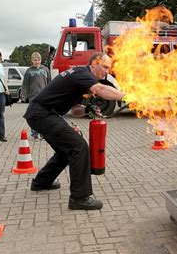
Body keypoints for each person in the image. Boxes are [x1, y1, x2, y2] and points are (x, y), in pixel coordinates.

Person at [24, 52, 126, 210]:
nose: (107, 72)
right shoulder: (82, 73)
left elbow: (75, 109)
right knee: (79, 147)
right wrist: (126, 95)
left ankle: (41, 182)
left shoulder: (81, 78)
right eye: (105, 67)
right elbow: (100, 89)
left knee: (65, 150)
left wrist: (87, 109)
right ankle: (80, 197)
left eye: (109, 68)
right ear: (93, 64)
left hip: (42, 114)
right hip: (42, 114)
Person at [21, 52, 50, 139]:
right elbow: (25, 84)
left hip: (44, 97)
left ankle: (43, 133)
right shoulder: (29, 71)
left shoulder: (45, 69)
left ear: (41, 60)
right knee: (33, 116)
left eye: (39, 60)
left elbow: (49, 82)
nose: (37, 62)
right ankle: (34, 133)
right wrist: (23, 96)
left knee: (44, 115)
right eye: (35, 60)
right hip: (33, 97)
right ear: (32, 61)